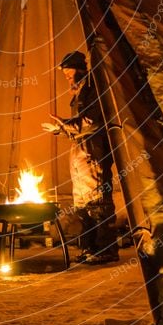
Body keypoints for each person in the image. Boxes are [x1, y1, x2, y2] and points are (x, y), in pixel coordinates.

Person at [42, 51, 119, 264]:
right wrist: (60, 129)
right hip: (79, 154)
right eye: (65, 75)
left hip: (92, 153)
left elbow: (92, 122)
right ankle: (89, 248)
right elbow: (78, 127)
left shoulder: (93, 91)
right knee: (82, 203)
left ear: (81, 70)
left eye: (70, 74)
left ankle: (106, 249)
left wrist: (64, 124)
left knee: (97, 201)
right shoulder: (78, 95)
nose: (68, 78)